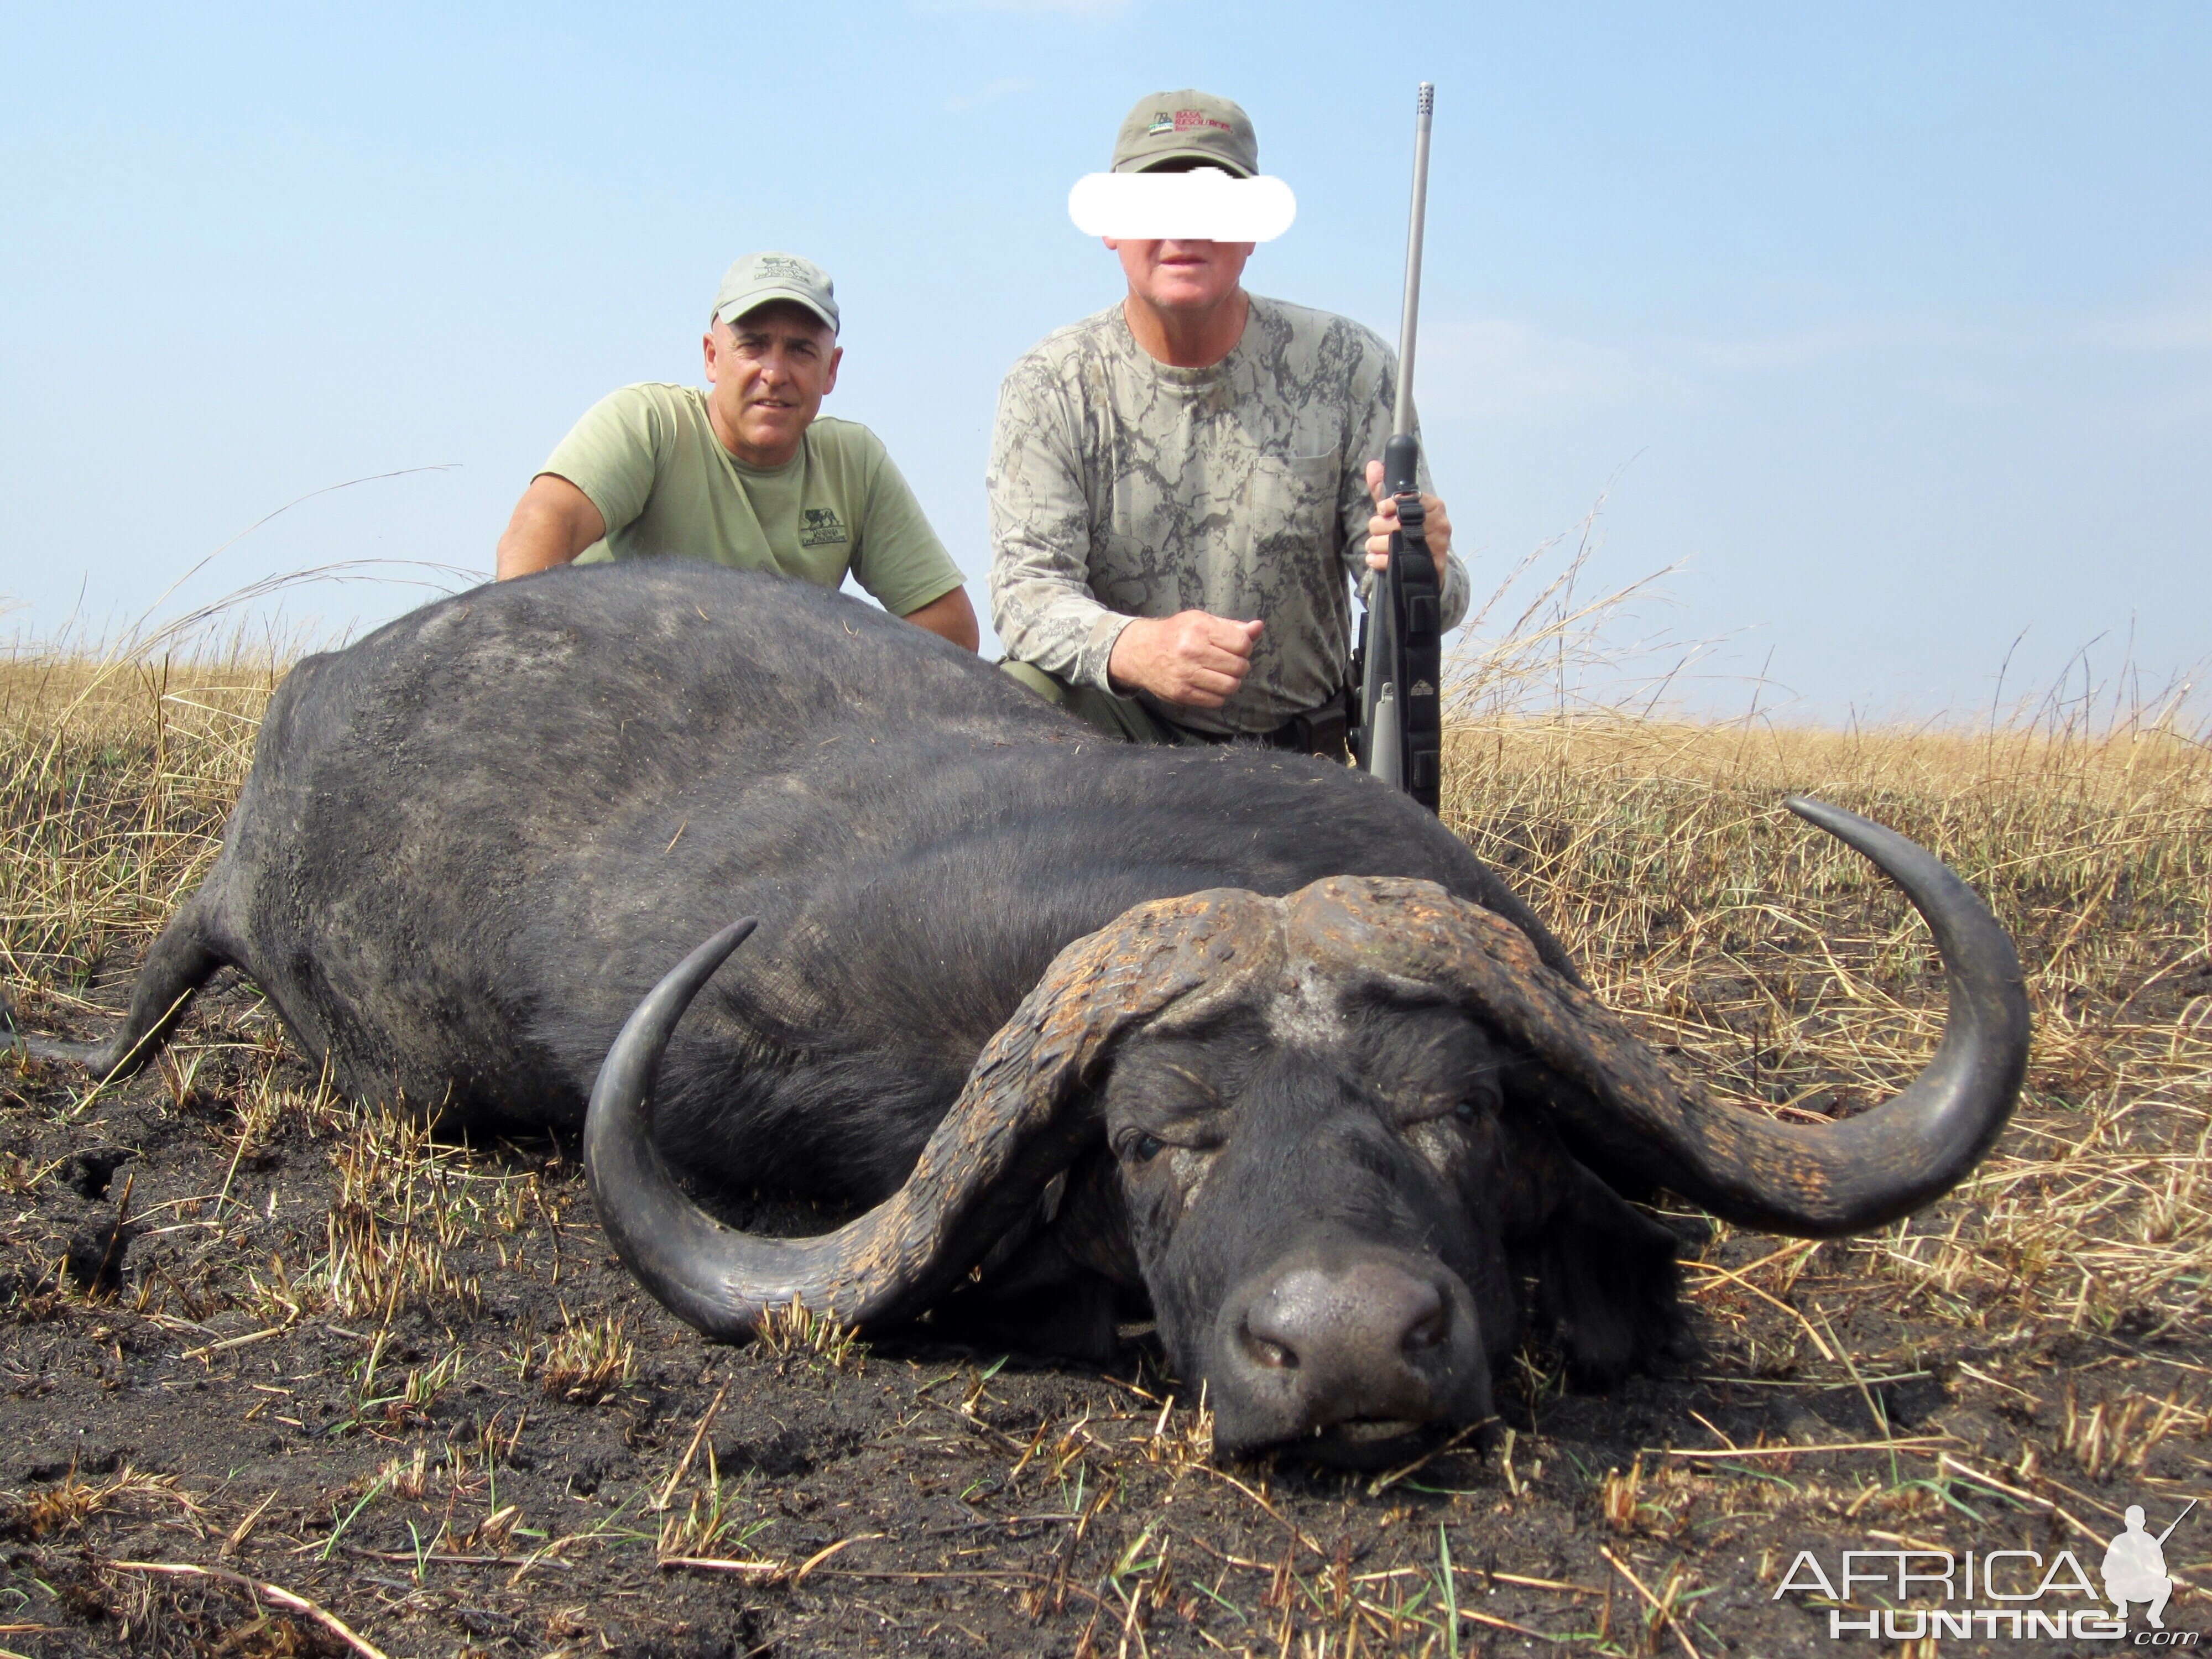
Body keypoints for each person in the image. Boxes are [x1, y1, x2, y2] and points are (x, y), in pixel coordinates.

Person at [987, 91, 1469, 755]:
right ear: (1111, 225)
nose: (1183, 230)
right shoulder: (1050, 384)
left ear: (1251, 228)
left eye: (1212, 204)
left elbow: (1427, 606)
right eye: (1153, 204)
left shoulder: (1349, 365)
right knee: (1023, 691)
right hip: (1118, 761)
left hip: (1300, 764)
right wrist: (1136, 646)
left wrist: (1425, 567)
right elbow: (1025, 595)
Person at [497, 252, 979, 651]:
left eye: (800, 350)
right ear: (711, 356)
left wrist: (831, 664)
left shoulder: (856, 461)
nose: (774, 373)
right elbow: (538, 528)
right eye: (753, 346)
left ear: (831, 370)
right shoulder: (648, 422)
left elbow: (950, 627)